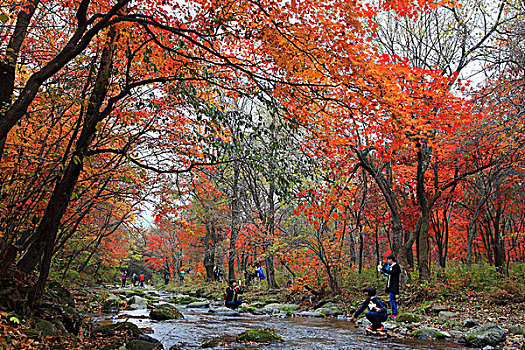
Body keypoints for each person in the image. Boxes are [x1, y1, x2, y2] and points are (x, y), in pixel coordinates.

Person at [378, 254, 401, 319]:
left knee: (392, 300)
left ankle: (394, 313)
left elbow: (392, 273)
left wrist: (383, 269)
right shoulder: (391, 267)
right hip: (391, 286)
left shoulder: (396, 266)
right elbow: (389, 274)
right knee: (391, 300)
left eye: (388, 260)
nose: (387, 261)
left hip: (394, 286)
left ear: (391, 260)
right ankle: (393, 313)